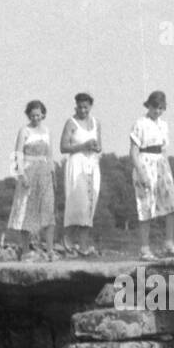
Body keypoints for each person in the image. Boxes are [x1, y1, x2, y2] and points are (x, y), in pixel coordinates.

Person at [130, 90, 174, 260]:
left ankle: (169, 243)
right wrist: (141, 173)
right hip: (144, 162)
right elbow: (133, 152)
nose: (157, 111)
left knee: (173, 203)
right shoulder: (140, 123)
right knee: (146, 206)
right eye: (154, 107)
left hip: (161, 164)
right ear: (148, 106)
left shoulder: (163, 125)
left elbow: (164, 150)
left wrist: (167, 171)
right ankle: (144, 248)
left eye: (160, 108)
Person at [7, 100, 56, 260]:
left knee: (48, 209)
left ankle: (50, 251)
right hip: (28, 171)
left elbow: (50, 154)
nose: (36, 118)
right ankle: (26, 251)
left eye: (38, 115)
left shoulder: (47, 131)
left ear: (43, 114)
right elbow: (17, 154)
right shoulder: (24, 131)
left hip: (44, 173)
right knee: (26, 210)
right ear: (29, 115)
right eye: (33, 115)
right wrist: (21, 175)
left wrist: (52, 173)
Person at [60, 93, 102, 256]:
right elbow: (63, 147)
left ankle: (84, 245)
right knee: (78, 203)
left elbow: (100, 145)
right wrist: (83, 145)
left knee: (89, 205)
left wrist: (95, 147)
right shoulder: (71, 123)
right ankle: (68, 239)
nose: (83, 110)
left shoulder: (96, 123)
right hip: (76, 163)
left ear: (90, 107)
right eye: (80, 107)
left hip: (92, 164)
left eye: (86, 107)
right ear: (76, 106)